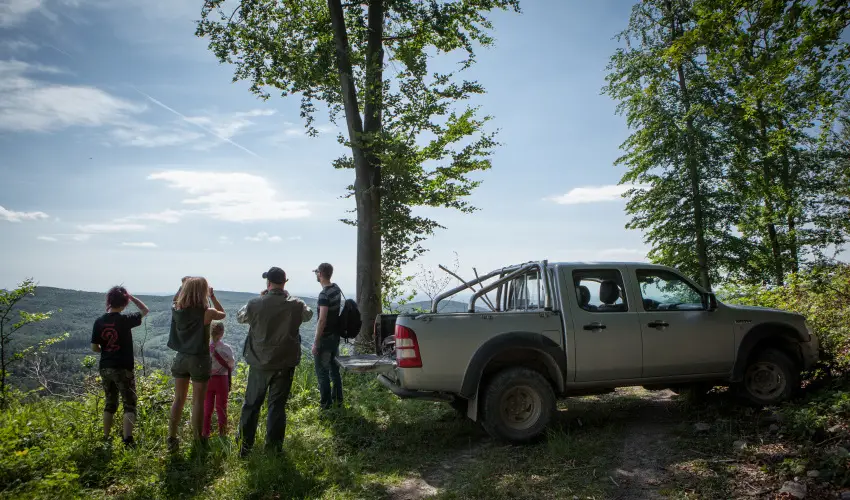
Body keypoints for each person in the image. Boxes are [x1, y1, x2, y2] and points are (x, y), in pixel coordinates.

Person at [237, 266, 313, 456]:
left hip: (259, 362)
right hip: (285, 363)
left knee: (252, 405)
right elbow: (309, 314)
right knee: (277, 406)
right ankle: (273, 450)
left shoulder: (255, 303)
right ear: (284, 283)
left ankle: (244, 447)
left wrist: (261, 298)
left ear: (268, 283)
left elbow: (240, 317)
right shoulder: (296, 304)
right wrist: (290, 297)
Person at [167, 277, 225, 452]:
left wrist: (182, 286)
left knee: (178, 399)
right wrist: (212, 296)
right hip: (199, 359)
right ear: (203, 292)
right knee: (198, 401)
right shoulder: (207, 312)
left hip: (181, 358)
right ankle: (198, 439)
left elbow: (175, 299)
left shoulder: (177, 309)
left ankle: (171, 437)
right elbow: (222, 314)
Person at [90, 286, 149, 447]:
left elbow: (94, 347)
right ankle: (127, 439)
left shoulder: (99, 321)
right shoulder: (125, 320)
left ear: (109, 301)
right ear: (124, 302)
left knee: (110, 403)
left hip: (105, 366)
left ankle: (106, 437)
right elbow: (145, 310)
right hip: (123, 367)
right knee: (129, 403)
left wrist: (107, 351)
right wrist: (132, 297)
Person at [311, 263, 343, 410]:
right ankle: (338, 401)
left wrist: (316, 342)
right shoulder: (336, 289)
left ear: (320, 274)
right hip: (335, 336)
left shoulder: (324, 295)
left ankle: (326, 406)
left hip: (325, 338)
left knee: (322, 372)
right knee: (334, 370)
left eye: (317, 272)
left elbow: (322, 319)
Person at [202, 321, 235, 439]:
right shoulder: (226, 348)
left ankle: (205, 434)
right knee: (221, 408)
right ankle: (222, 434)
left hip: (208, 380)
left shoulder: (205, 348)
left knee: (207, 408)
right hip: (222, 380)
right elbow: (231, 365)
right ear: (222, 333)